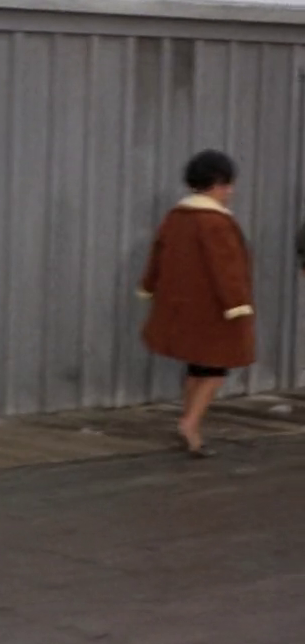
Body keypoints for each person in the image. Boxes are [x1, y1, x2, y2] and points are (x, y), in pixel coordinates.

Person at [139, 149, 254, 458]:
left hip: (185, 307)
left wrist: (148, 285)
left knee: (197, 366)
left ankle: (188, 420)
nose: (230, 191)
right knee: (215, 370)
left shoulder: (176, 217)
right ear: (216, 184)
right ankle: (190, 424)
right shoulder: (215, 222)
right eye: (228, 185)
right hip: (214, 310)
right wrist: (238, 304)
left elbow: (157, 255)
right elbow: (226, 268)